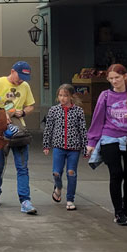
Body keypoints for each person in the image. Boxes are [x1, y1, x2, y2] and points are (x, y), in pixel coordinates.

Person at [86, 64, 127, 226]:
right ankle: (118, 212)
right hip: (110, 138)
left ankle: (126, 201)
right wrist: (92, 142)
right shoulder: (105, 96)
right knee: (116, 173)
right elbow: (97, 120)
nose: (114, 81)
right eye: (111, 78)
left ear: (125, 76)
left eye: (117, 77)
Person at [0, 61, 37, 214]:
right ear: (12, 71)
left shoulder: (25, 86)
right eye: (20, 76)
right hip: (0, 130)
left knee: (22, 166)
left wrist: (23, 112)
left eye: (25, 77)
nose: (22, 80)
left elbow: (31, 105)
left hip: (18, 130)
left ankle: (25, 200)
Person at [42, 83, 88, 212]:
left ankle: (70, 199)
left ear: (72, 96)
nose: (62, 98)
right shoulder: (53, 110)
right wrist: (46, 144)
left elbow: (82, 130)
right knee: (56, 172)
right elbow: (48, 129)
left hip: (74, 147)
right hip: (58, 146)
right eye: (60, 95)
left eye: (65, 96)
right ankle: (58, 188)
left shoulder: (78, 111)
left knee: (71, 173)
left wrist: (85, 148)